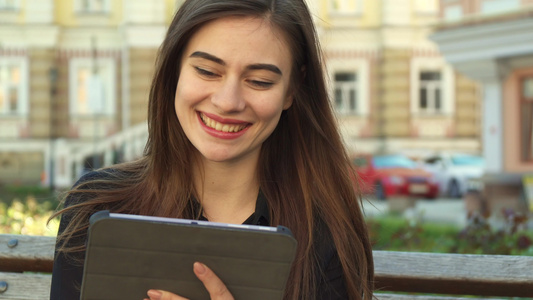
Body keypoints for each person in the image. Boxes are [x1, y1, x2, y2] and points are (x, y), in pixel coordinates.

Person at [49, 0, 374, 299]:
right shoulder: (98, 206)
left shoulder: (326, 232)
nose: (227, 101)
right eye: (206, 71)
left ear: (292, 90)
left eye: (260, 81)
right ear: (175, 68)